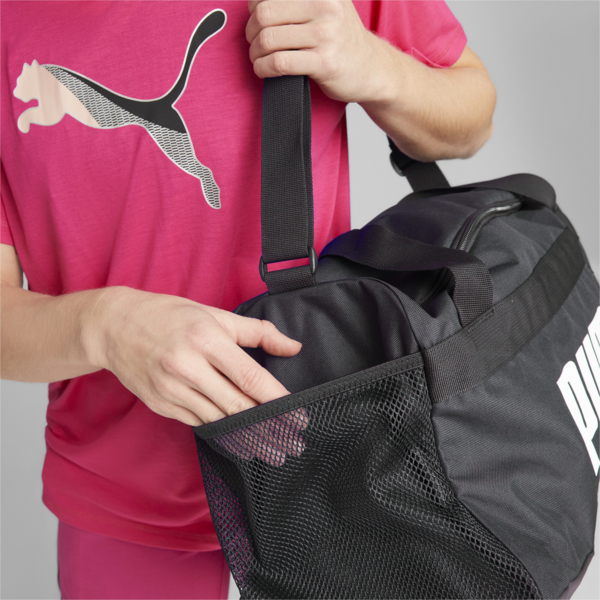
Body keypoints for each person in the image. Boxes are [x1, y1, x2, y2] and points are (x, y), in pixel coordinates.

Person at [0, 1, 496, 598]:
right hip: (124, 489)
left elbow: (471, 115)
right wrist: (106, 327)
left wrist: (373, 64)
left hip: (332, 454)